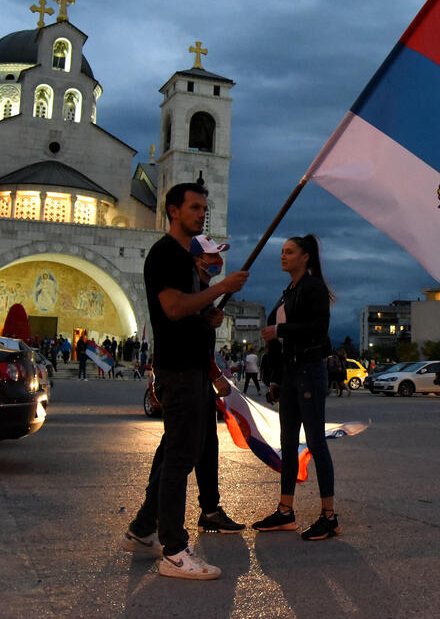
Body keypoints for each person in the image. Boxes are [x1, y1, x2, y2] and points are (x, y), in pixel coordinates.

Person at [121, 183, 248, 580]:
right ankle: (174, 551)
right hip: (179, 370)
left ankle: (143, 530)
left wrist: (209, 314)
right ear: (173, 210)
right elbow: (173, 308)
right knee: (180, 457)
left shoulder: (183, 258)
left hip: (191, 367)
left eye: (204, 209)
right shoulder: (167, 254)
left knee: (176, 452)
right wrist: (220, 288)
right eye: (194, 208)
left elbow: (187, 310)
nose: (201, 214)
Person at [254, 235, 340, 541]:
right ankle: (285, 512)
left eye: (289, 252)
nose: (283, 256)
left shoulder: (312, 287)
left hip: (309, 371)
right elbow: (279, 345)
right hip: (290, 374)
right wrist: (276, 379)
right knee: (287, 443)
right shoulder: (287, 291)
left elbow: (319, 327)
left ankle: (329, 516)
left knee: (316, 442)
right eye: (281, 252)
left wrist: (280, 329)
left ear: (305, 256)